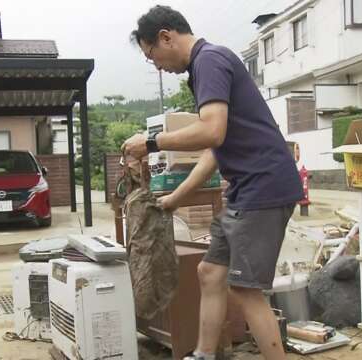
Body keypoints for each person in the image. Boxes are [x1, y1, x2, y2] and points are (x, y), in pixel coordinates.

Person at [123, 6, 304, 360]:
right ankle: (204, 354)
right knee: (209, 272)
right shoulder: (204, 68)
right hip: (245, 189)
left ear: (166, 37)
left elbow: (211, 130)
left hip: (263, 188)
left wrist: (150, 144)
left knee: (246, 289)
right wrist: (174, 199)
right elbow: (215, 150)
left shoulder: (209, 61)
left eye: (152, 56)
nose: (157, 65)